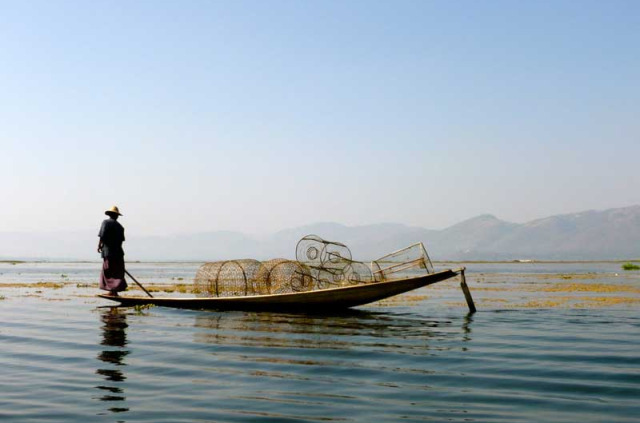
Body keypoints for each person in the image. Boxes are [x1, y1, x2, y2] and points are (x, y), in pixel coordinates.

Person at [98, 206, 128, 296]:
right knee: (117, 272)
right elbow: (121, 241)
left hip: (109, 252)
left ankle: (112, 291)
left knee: (108, 271)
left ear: (110, 215)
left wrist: (99, 245)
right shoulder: (120, 227)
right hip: (118, 253)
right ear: (116, 216)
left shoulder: (106, 222)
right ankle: (114, 291)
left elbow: (102, 235)